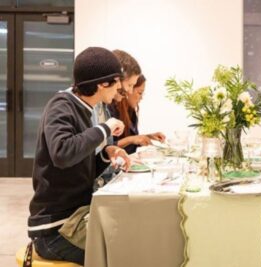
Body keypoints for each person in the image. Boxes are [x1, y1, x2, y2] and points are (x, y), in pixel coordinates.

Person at [27, 47, 132, 265]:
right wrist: (105, 128)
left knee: (129, 238)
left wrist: (106, 154)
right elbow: (63, 153)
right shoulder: (61, 106)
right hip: (56, 230)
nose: (120, 89)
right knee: (123, 255)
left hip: (73, 219)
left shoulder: (83, 108)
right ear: (103, 84)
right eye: (117, 82)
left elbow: (77, 163)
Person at [110, 74, 166, 154]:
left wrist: (148, 137)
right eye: (140, 93)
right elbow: (106, 148)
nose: (141, 97)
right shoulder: (111, 110)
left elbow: (133, 141)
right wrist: (133, 139)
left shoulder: (130, 110)